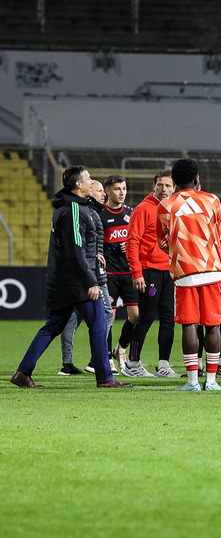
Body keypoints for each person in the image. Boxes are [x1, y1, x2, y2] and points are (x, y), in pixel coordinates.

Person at [11, 166, 132, 389]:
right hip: (77, 281)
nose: (90, 181)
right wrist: (91, 281)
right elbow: (76, 250)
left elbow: (81, 244)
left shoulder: (74, 207)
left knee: (54, 325)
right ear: (78, 185)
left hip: (66, 279)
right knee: (98, 323)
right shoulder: (73, 209)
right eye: (87, 179)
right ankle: (105, 377)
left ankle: (23, 372)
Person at [157, 158, 221, 391]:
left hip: (184, 271)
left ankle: (192, 382)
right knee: (213, 325)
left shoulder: (166, 205)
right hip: (212, 270)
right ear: (197, 179)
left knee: (189, 325)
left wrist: (180, 251)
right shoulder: (212, 200)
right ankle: (212, 381)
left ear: (174, 182)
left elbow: (163, 241)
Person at [123, 171, 178, 378]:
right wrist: (137, 273)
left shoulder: (174, 208)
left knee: (168, 320)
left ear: (174, 188)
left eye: (168, 186)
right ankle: (132, 362)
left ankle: (163, 365)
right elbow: (132, 242)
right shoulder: (143, 209)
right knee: (145, 318)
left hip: (170, 273)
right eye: (160, 185)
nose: (164, 189)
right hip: (150, 272)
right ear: (154, 186)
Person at [58, 179, 114, 376]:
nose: (102, 194)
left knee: (70, 317)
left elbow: (93, 241)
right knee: (105, 313)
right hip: (93, 272)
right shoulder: (82, 211)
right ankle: (100, 359)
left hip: (95, 269)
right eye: (98, 190)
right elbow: (78, 244)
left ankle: (69, 362)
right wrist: (93, 261)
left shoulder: (92, 211)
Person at [100, 174, 140, 374]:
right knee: (110, 317)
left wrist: (132, 245)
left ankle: (120, 347)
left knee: (136, 316)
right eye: (117, 189)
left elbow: (140, 239)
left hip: (130, 272)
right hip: (110, 274)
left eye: (124, 188)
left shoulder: (131, 213)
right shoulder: (100, 214)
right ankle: (107, 358)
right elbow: (97, 242)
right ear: (107, 191)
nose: (122, 192)